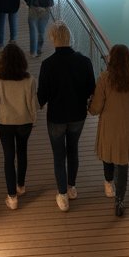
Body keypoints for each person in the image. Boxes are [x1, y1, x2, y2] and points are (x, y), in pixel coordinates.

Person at [37, 20, 95, 212]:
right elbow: (91, 89)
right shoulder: (85, 62)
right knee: (73, 150)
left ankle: (62, 196)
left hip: (56, 117)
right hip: (78, 115)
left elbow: (42, 96)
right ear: (70, 38)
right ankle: (71, 187)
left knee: (58, 156)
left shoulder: (47, 65)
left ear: (53, 39)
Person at [89, 43, 129, 218]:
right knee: (122, 163)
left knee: (108, 153)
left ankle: (108, 184)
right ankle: (119, 200)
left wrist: (91, 109)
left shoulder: (105, 78)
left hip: (109, 125)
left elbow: (97, 106)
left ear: (111, 59)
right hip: (128, 125)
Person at [0, 43, 38, 210]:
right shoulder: (29, 80)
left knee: (8, 157)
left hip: (5, 122)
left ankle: (12, 197)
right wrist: (33, 120)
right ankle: (21, 186)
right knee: (22, 152)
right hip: (24, 122)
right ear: (22, 61)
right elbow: (33, 104)